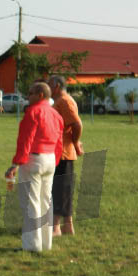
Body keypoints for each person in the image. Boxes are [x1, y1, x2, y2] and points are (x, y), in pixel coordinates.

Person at [4, 82, 64, 252]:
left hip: (34, 159)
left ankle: (32, 246)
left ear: (40, 95)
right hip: (50, 158)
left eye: (30, 93)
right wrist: (54, 160)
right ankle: (46, 243)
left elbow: (26, 140)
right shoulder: (55, 114)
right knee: (46, 201)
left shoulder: (33, 112)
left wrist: (16, 164)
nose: (28, 96)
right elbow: (59, 141)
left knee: (31, 203)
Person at [48, 76, 83, 237]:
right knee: (64, 189)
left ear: (56, 86)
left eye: (49, 84)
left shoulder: (64, 101)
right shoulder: (60, 101)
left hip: (62, 152)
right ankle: (68, 226)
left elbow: (76, 124)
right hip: (60, 151)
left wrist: (75, 142)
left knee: (59, 189)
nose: (47, 87)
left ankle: (56, 227)